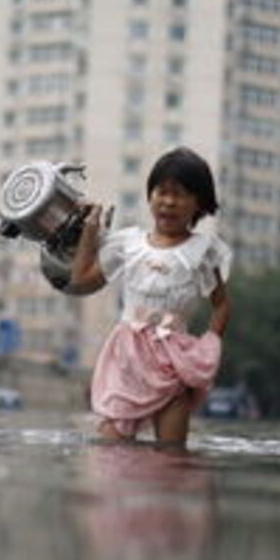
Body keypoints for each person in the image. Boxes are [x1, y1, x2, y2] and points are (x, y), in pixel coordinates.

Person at [68, 147, 231, 448]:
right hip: (125, 363)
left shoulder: (203, 252)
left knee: (171, 456)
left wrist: (206, 348)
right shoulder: (128, 244)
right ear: (150, 195)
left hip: (173, 365)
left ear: (199, 203)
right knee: (111, 453)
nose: (168, 202)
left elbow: (221, 305)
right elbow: (80, 281)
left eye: (180, 194)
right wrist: (89, 233)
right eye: (162, 192)